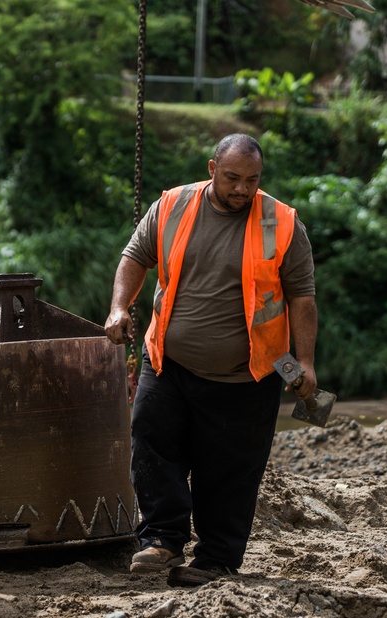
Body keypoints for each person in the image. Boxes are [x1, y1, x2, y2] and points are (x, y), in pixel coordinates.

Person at [104, 133, 318, 587]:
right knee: (151, 442)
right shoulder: (173, 206)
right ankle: (161, 538)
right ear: (211, 169)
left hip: (249, 375)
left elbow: (302, 296)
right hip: (167, 361)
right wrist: (119, 307)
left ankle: (216, 559)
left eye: (252, 180)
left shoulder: (282, 222)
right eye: (233, 178)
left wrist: (306, 362)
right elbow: (133, 257)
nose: (242, 189)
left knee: (229, 471)